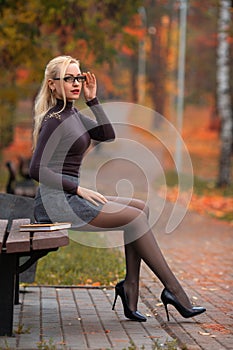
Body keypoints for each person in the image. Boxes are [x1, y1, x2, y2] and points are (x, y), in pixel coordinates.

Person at [29, 55, 206, 322]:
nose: (76, 83)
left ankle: (130, 289)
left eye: (78, 77)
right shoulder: (54, 119)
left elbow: (107, 135)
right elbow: (36, 169)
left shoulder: (74, 113)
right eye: (68, 78)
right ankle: (174, 291)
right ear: (52, 85)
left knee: (140, 208)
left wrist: (93, 100)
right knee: (134, 217)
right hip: (55, 203)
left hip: (67, 196)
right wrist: (76, 189)